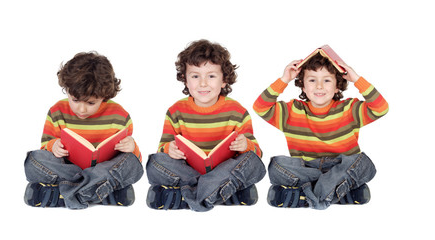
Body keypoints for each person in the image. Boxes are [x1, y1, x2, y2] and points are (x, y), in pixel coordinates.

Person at [253, 53, 389, 210]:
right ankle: (339, 191)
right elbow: (260, 107)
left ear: (338, 85)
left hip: (341, 165)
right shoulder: (292, 111)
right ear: (303, 86)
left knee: (363, 164)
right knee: (276, 166)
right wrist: (284, 80)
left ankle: (306, 196)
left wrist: (357, 79)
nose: (319, 86)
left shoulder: (349, 109)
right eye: (312, 80)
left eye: (327, 80)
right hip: (306, 169)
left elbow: (381, 108)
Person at [145, 39, 266, 211]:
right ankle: (222, 192)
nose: (203, 83)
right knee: (154, 163)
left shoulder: (237, 112)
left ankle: (187, 195)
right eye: (195, 76)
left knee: (253, 163)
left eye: (211, 76)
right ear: (185, 80)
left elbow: (257, 153)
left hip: (224, 170)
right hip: (188, 172)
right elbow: (162, 149)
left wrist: (246, 145)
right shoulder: (176, 111)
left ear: (224, 80)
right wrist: (169, 149)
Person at [24, 52, 144, 209]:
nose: (81, 109)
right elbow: (45, 148)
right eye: (75, 100)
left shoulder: (119, 116)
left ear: (105, 96)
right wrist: (53, 146)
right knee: (33, 160)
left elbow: (131, 160)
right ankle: (100, 192)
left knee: (132, 165)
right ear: (66, 90)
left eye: (91, 103)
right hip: (68, 169)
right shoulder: (57, 111)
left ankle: (61, 194)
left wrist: (132, 147)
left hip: (102, 169)